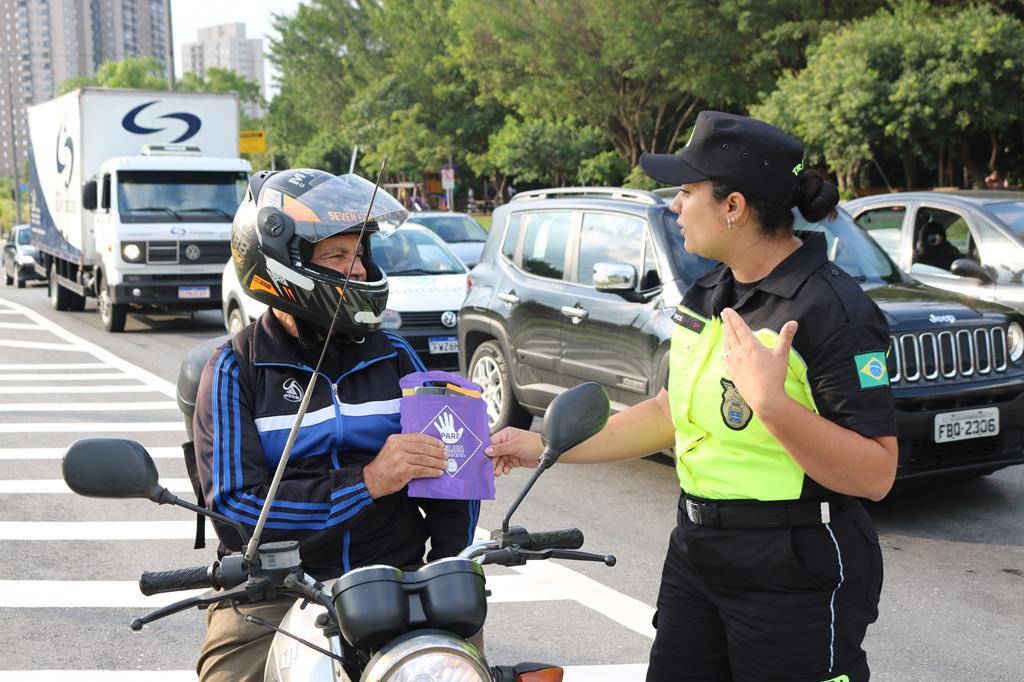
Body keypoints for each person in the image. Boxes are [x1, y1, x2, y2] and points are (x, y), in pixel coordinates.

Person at [488, 111, 897, 681]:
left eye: (686, 191)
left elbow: (876, 472)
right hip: (698, 552)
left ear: (734, 207)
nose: (674, 205)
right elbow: (667, 413)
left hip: (795, 567)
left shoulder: (833, 311)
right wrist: (543, 446)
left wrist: (773, 406)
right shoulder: (708, 293)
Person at [193, 168, 480, 680]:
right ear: (283, 263)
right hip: (275, 593)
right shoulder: (236, 369)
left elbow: (448, 474)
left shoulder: (396, 358)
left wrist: (451, 561)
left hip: (395, 581)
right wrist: (368, 482)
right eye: (338, 256)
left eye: (361, 254)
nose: (361, 269)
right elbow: (238, 507)